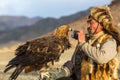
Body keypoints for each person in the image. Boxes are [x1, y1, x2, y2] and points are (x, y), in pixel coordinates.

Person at [39, 6, 120, 80]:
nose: (88, 26)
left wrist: (82, 43)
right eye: (87, 22)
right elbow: (74, 62)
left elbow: (101, 58)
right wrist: (59, 73)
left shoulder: (110, 41)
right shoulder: (86, 41)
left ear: (101, 24)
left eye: (91, 23)